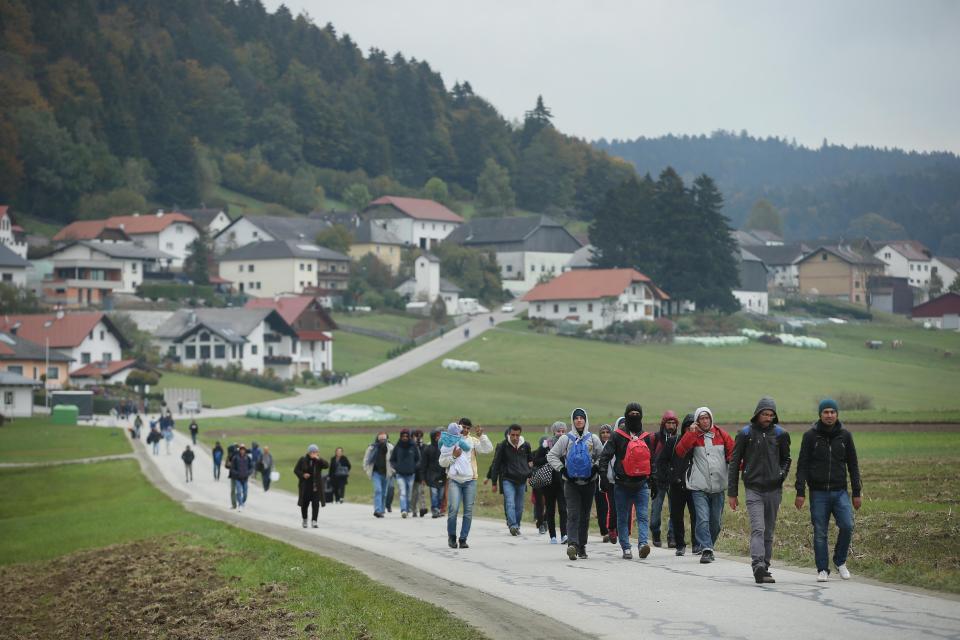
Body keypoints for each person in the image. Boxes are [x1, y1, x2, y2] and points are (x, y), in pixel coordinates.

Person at [795, 398, 862, 582]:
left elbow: (853, 465)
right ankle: (822, 569)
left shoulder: (845, 436)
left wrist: (857, 492)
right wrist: (800, 491)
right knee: (820, 531)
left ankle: (840, 561)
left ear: (837, 414)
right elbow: (802, 465)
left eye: (832, 412)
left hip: (840, 492)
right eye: (826, 412)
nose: (829, 415)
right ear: (820, 414)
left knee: (847, 525)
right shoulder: (810, 436)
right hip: (818, 493)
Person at [728, 397, 791, 584]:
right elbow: (734, 463)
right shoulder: (745, 434)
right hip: (753, 488)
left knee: (768, 532)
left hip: (774, 489)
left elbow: (786, 459)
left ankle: (765, 566)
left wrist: (780, 475)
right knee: (758, 528)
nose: (768, 418)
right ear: (757, 414)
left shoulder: (780, 434)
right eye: (765, 414)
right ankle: (758, 566)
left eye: (771, 415)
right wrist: (732, 492)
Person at [675, 407, 735, 564]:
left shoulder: (722, 435)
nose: (705, 421)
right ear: (697, 421)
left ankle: (708, 546)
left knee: (716, 522)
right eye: (701, 418)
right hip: (699, 486)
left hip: (719, 487)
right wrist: (691, 433)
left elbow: (733, 455)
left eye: (707, 418)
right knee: (702, 519)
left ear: (711, 419)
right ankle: (707, 549)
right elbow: (680, 451)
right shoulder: (693, 435)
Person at [599, 403, 656, 560]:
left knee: (642, 516)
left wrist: (654, 480)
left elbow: (652, 460)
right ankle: (626, 547)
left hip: (641, 484)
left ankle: (643, 544)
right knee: (623, 518)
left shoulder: (645, 437)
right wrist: (603, 477)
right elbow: (605, 457)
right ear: (626, 414)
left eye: (637, 413)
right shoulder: (617, 436)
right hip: (622, 485)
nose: (634, 415)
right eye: (631, 413)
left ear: (641, 416)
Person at [548, 408, 604, 561]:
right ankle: (572, 544)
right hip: (570, 483)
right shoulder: (565, 439)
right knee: (572, 514)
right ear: (572, 420)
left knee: (585, 516)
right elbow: (551, 455)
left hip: (589, 482)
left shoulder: (593, 438)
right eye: (576, 418)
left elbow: (603, 455)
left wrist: (596, 469)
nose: (579, 420)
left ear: (586, 420)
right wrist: (562, 470)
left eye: (582, 418)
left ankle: (582, 546)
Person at [439, 418, 494, 548]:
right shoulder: (449, 440)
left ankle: (463, 539)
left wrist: (482, 437)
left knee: (468, 511)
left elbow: (488, 449)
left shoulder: (473, 441)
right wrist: (453, 456)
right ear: (458, 426)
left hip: (470, 480)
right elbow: (441, 462)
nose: (466, 430)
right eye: (463, 427)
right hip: (454, 480)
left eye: (468, 428)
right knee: (453, 509)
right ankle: (452, 537)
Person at [659, 414, 698, 556]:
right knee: (676, 517)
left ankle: (696, 544)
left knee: (696, 516)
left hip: (695, 486)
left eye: (693, 427)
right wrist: (668, 477)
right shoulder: (673, 442)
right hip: (676, 485)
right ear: (683, 428)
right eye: (688, 427)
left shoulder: (699, 443)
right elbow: (661, 461)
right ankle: (680, 545)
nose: (690, 429)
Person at [488, 423, 533, 536]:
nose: (515, 438)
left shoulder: (526, 445)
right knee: (510, 503)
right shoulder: (503, 446)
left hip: (522, 480)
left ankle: (516, 525)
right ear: (509, 434)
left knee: (519, 506)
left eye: (517, 435)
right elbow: (496, 464)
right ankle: (512, 525)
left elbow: (530, 462)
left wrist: (530, 475)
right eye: (512, 435)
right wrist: (494, 482)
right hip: (507, 479)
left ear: (520, 434)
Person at [650, 411, 679, 547]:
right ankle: (655, 532)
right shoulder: (654, 439)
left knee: (675, 510)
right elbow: (649, 458)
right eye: (669, 423)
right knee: (656, 511)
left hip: (673, 481)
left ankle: (672, 536)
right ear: (663, 424)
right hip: (658, 480)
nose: (671, 426)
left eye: (674, 423)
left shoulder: (679, 439)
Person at [537, 423, 569, 544]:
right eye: (558, 431)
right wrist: (548, 457)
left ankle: (564, 535)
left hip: (563, 482)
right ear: (553, 432)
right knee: (550, 510)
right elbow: (536, 460)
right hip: (548, 483)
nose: (561, 434)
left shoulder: (568, 444)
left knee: (563, 509)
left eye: (563, 431)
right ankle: (553, 536)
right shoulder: (546, 445)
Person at [390, 428, 422, 518]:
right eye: (403, 436)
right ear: (400, 437)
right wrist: (396, 467)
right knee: (403, 492)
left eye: (406, 436)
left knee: (409, 494)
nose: (404, 438)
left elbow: (418, 459)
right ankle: (403, 510)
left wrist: (414, 467)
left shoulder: (413, 446)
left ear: (409, 437)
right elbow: (392, 460)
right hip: (400, 474)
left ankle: (407, 509)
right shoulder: (398, 446)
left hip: (411, 474)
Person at [295, 444, 329, 528]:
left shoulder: (319, 461)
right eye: (312, 452)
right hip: (306, 487)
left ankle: (314, 521)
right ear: (309, 452)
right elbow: (296, 470)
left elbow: (327, 465)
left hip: (316, 487)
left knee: (316, 504)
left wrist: (318, 459)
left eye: (316, 452)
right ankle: (305, 520)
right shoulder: (303, 460)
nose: (314, 453)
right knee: (304, 504)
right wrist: (303, 475)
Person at [363, 432, 394, 518]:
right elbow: (366, 459)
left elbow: (394, 459)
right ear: (377, 439)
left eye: (384, 439)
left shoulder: (390, 447)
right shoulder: (372, 448)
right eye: (381, 439)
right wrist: (366, 469)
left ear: (386, 439)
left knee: (384, 493)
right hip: (375, 473)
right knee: (378, 490)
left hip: (386, 473)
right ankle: (377, 510)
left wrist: (392, 470)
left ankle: (381, 510)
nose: (382, 441)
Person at [594, 424, 616, 543]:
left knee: (611, 506)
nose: (605, 435)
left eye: (608, 432)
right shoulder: (597, 447)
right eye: (603, 432)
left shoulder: (614, 446)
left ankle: (611, 530)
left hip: (611, 481)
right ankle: (604, 530)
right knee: (601, 507)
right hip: (597, 481)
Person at [420, 429, 446, 518]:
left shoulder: (444, 448)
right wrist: (423, 478)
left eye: (440, 436)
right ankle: (434, 510)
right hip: (431, 476)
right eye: (438, 436)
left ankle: (438, 509)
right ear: (433, 437)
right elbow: (423, 465)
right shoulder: (427, 449)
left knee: (441, 495)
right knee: (434, 494)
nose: (439, 438)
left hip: (442, 475)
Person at [410, 430, 429, 517]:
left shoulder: (424, 447)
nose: (418, 438)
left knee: (421, 491)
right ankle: (414, 509)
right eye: (416, 436)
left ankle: (422, 508)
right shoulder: (410, 447)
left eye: (420, 436)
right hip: (412, 473)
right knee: (414, 493)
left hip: (421, 473)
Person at [229, 443, 254, 512]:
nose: (242, 451)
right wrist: (236, 474)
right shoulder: (235, 458)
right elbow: (232, 468)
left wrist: (248, 473)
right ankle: (240, 505)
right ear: (239, 450)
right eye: (241, 449)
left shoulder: (248, 458)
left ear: (245, 450)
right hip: (238, 478)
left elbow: (251, 467)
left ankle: (242, 502)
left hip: (245, 478)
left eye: (243, 449)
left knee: (245, 494)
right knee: (239, 492)